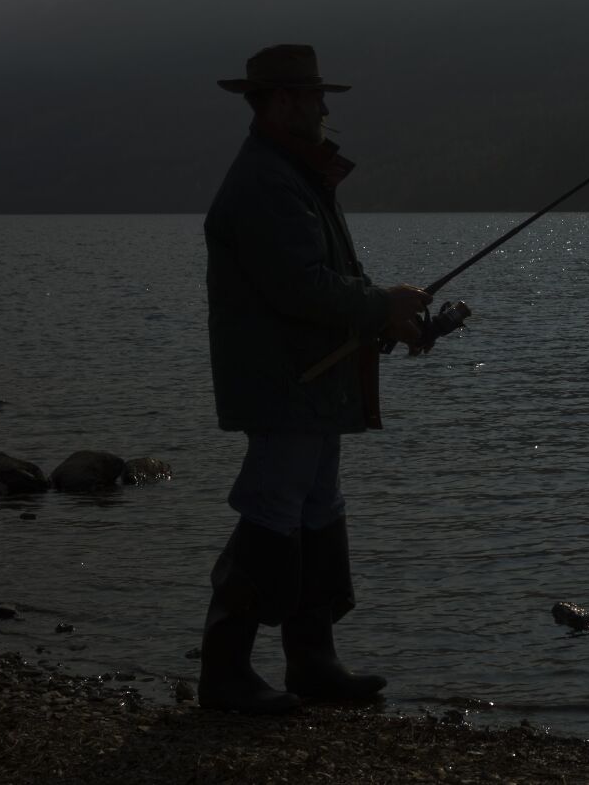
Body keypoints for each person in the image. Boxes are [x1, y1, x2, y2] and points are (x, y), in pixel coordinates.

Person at [200, 43, 431, 714]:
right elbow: (301, 287)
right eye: (314, 96)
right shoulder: (266, 183)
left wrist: (389, 318)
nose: (326, 107)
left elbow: (328, 281)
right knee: (273, 510)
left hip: (308, 381)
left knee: (315, 509)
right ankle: (225, 674)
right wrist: (381, 306)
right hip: (283, 383)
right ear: (280, 102)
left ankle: (312, 661)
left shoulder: (292, 174)